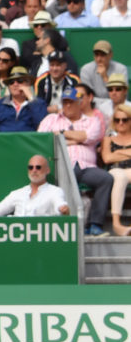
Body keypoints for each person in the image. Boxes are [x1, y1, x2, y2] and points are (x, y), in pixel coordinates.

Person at [39, 86, 113, 235]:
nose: (67, 105)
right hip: (60, 165)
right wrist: (76, 139)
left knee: (106, 179)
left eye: (71, 102)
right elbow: (43, 140)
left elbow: (89, 137)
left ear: (79, 103)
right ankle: (65, 226)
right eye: (65, 102)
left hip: (86, 167)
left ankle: (95, 224)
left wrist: (62, 134)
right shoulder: (51, 119)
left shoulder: (92, 120)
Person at [0, 156, 70, 218]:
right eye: (30, 167)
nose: (34, 170)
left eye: (38, 167)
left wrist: (63, 209)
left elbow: (60, 205)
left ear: (47, 170)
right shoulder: (18, 193)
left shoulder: (55, 191)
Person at [0, 68, 49, 133]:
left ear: (28, 84)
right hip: (3, 142)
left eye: (20, 81)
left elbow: (43, 126)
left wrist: (31, 98)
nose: (15, 84)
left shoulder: (39, 104)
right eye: (11, 82)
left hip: (28, 142)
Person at [101, 102, 131, 236]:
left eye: (125, 120)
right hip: (115, 170)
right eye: (117, 120)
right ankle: (116, 223)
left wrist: (117, 154)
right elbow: (107, 158)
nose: (121, 123)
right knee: (120, 176)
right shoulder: (109, 139)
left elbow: (112, 156)